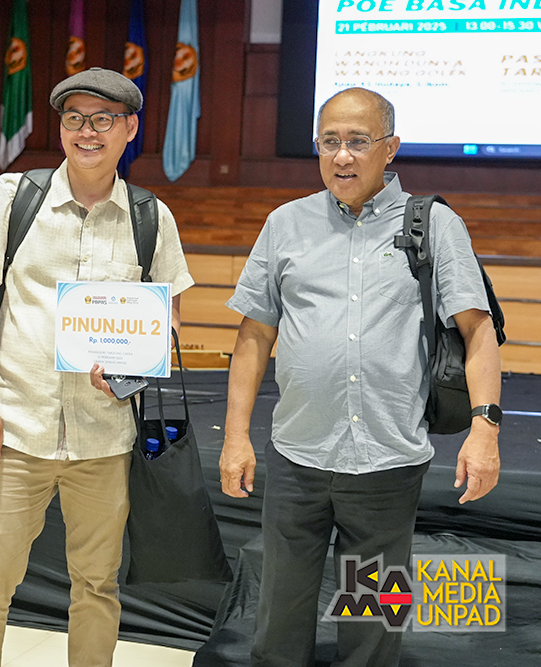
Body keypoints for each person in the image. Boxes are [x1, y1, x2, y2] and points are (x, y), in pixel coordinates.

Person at [219, 86, 502, 667]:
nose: (342, 156)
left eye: (357, 141)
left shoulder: (435, 224)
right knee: (280, 616)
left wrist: (485, 430)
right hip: (297, 458)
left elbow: (478, 331)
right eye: (330, 142)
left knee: (372, 623)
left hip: (387, 462)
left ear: (389, 148)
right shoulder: (285, 223)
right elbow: (254, 338)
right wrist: (235, 437)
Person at [0, 67, 193, 667]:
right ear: (60, 127)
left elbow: (166, 322)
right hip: (15, 429)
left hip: (105, 439)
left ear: (130, 128)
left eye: (103, 119)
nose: (88, 132)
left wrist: (130, 371)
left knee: (97, 586)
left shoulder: (151, 216)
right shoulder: (13, 196)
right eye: (74, 118)